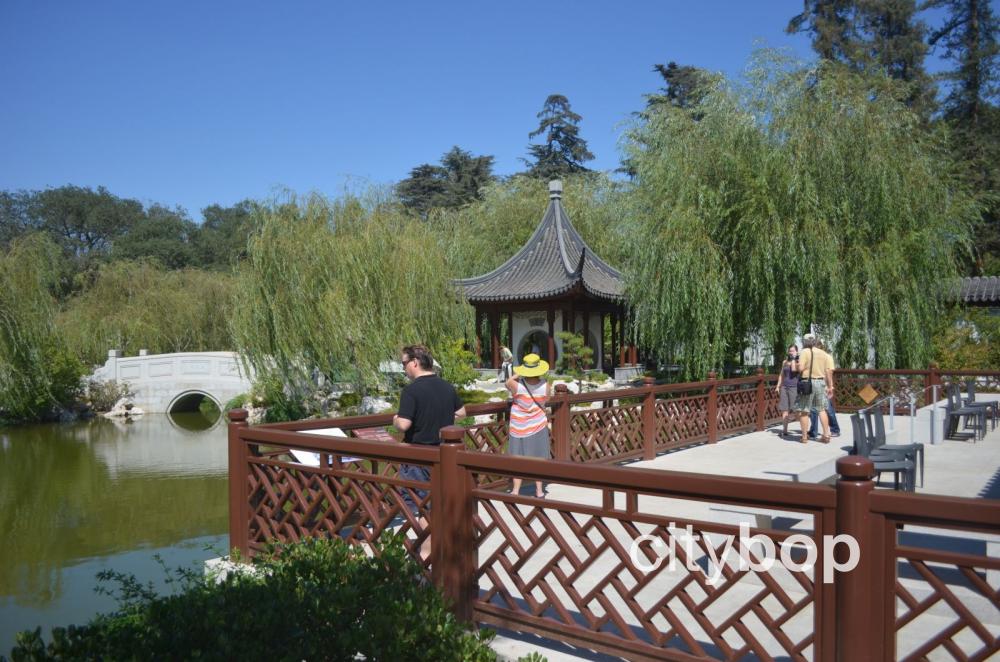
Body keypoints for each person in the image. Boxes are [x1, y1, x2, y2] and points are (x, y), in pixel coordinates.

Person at [392, 345, 466, 554]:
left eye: (404, 363)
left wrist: (395, 420)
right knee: (437, 506)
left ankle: (427, 554)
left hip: (418, 458)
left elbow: (404, 425)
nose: (404, 368)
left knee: (421, 509)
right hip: (443, 455)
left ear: (415, 362)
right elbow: (461, 412)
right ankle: (437, 550)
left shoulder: (411, 390)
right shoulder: (446, 386)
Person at [505, 353, 551, 498]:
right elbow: (545, 401)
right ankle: (539, 490)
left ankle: (515, 490)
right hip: (538, 424)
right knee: (537, 457)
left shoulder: (516, 386)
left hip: (518, 426)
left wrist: (517, 374)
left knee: (517, 458)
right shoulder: (546, 386)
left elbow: (508, 382)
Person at [794, 333, 836, 443]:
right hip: (821, 382)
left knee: (804, 410)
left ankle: (804, 437)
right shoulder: (823, 353)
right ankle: (826, 435)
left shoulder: (804, 352)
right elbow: (828, 371)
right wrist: (830, 386)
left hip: (808, 383)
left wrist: (797, 364)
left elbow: (801, 368)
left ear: (804, 342)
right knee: (822, 409)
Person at [808, 341, 841, 438]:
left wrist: (830, 387)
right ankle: (813, 431)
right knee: (813, 409)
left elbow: (829, 372)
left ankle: (835, 429)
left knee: (827, 408)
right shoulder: (813, 357)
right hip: (814, 384)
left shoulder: (827, 357)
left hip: (824, 386)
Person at [774, 344, 801, 438]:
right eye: (790, 351)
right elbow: (781, 375)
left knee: (796, 410)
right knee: (784, 410)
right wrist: (778, 386)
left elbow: (794, 370)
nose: (791, 352)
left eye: (793, 351)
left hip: (794, 387)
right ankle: (785, 430)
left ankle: (804, 428)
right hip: (784, 387)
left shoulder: (799, 361)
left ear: (797, 351)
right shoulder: (784, 362)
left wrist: (794, 359)